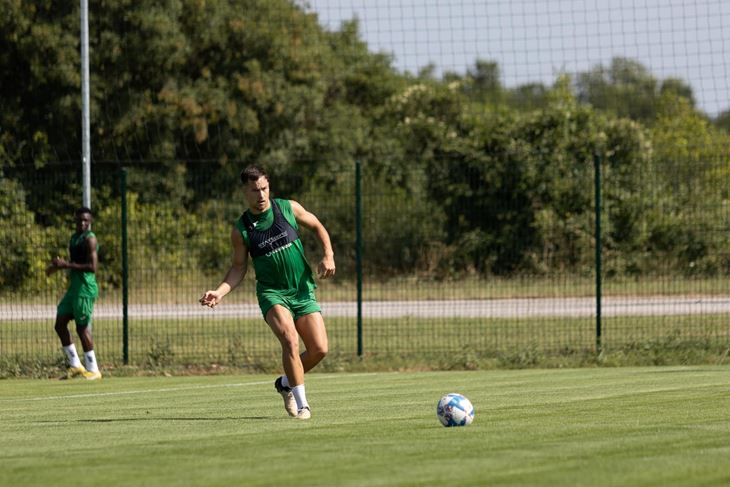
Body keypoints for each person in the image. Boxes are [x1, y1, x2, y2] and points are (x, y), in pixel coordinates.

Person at [200, 165, 335, 420]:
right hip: (272, 293)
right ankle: (303, 405)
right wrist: (220, 292)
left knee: (319, 349)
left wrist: (328, 255)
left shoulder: (287, 208)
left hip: (302, 290)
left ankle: (285, 383)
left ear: (269, 187)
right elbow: (239, 267)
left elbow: (317, 226)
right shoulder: (241, 229)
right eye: (254, 190)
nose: (261, 195)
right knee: (290, 339)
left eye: (264, 188)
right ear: (245, 192)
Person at [46, 207, 102, 380]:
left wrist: (66, 266)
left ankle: (93, 369)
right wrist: (55, 267)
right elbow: (74, 262)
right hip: (74, 288)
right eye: (79, 220)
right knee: (60, 323)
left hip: (85, 287)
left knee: (81, 327)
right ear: (75, 220)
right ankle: (76, 365)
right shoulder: (74, 238)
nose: (82, 223)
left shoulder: (90, 239)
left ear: (90, 222)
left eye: (86, 220)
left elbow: (93, 267)